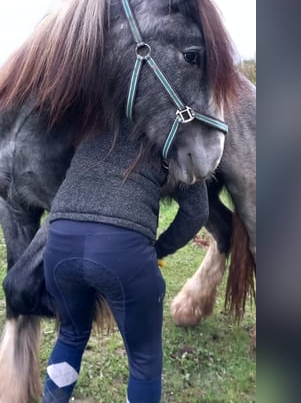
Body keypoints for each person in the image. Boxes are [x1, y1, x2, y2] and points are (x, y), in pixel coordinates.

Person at [42, 120, 209, 403]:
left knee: (70, 335)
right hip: (122, 251)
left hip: (59, 243)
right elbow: (197, 212)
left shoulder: (93, 124)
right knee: (145, 359)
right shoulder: (174, 137)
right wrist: (159, 249)